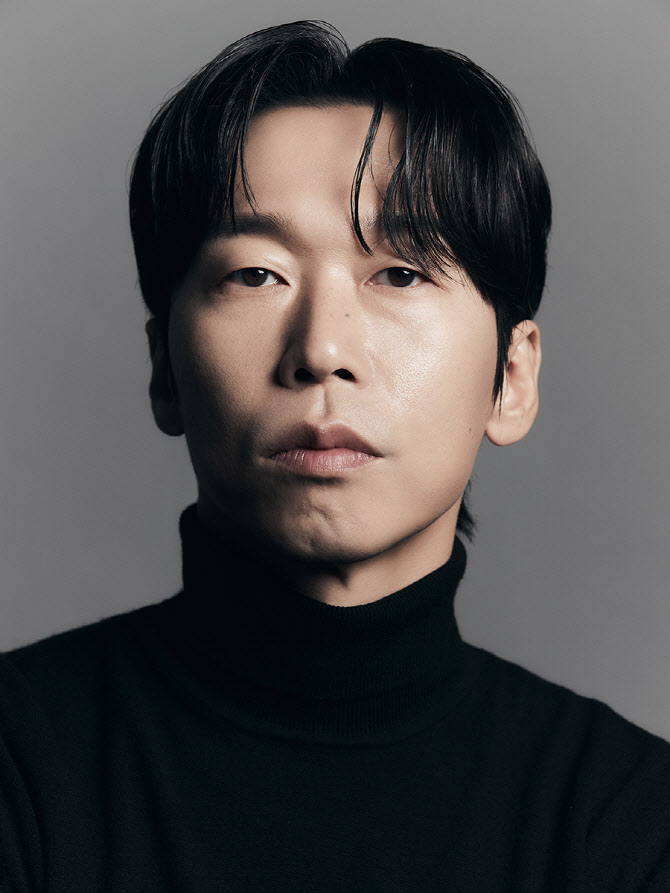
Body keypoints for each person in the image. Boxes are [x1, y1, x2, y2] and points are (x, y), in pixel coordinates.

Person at [1, 19, 669, 892]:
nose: (321, 350)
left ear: (511, 378)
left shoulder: (629, 822)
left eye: (400, 273)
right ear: (165, 366)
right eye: (256, 274)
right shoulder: (23, 765)